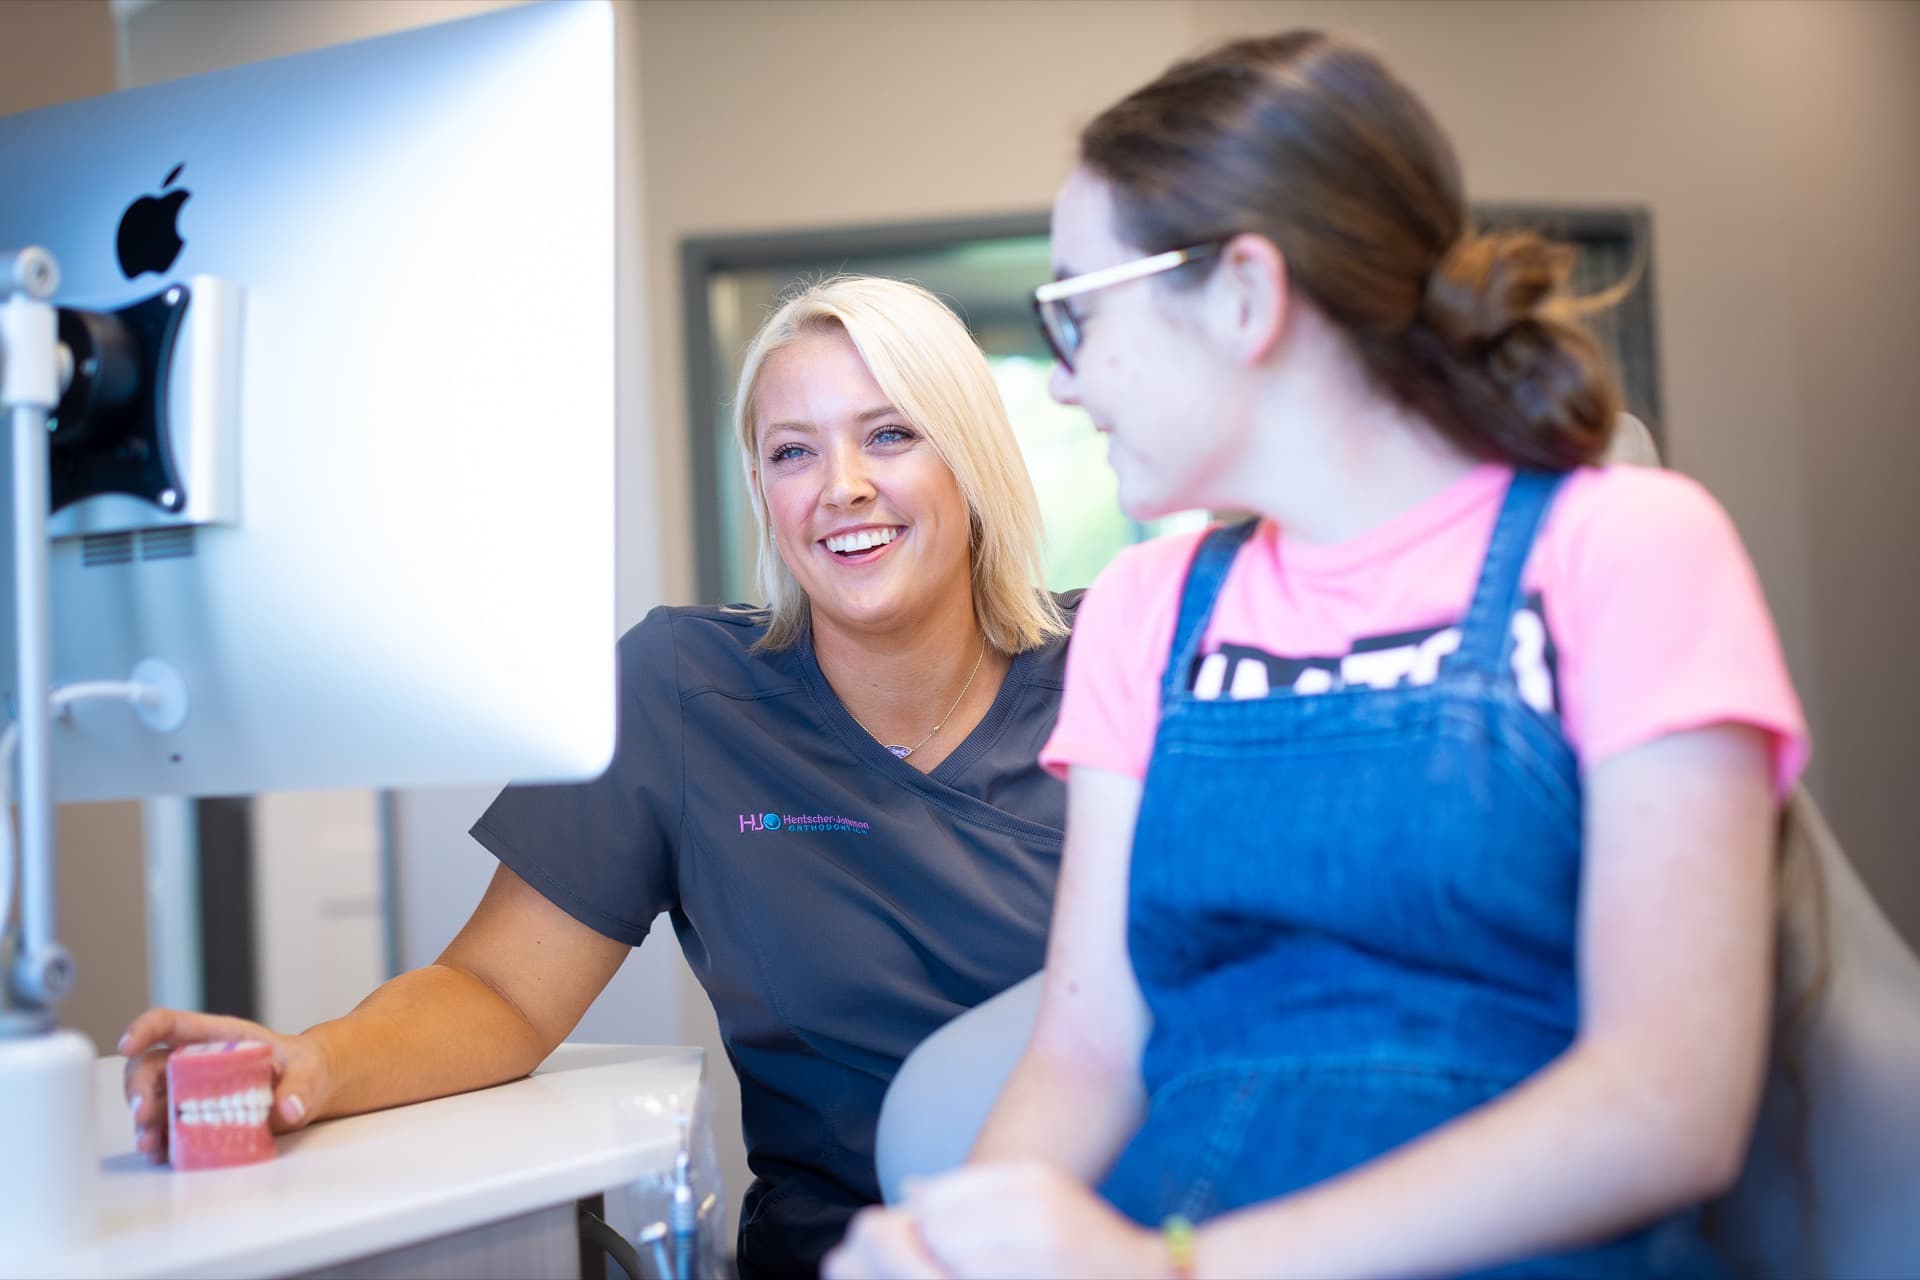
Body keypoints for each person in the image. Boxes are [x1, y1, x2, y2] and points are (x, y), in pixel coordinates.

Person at [827, 31, 1807, 1280]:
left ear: (1243, 294)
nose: (1063, 387)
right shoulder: (1146, 606)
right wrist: (949, 1242)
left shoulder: (1628, 547)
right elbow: (1086, 1055)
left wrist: (1186, 1265)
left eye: (1076, 311)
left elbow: (1667, 1097)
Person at [118, 276, 1079, 1280]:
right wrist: (309, 1063)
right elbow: (497, 990)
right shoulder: (683, 693)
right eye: (793, 450)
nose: (840, 484)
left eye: (890, 434)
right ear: (763, 491)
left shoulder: (1123, 672)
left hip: (1115, 1240)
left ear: (971, 457)